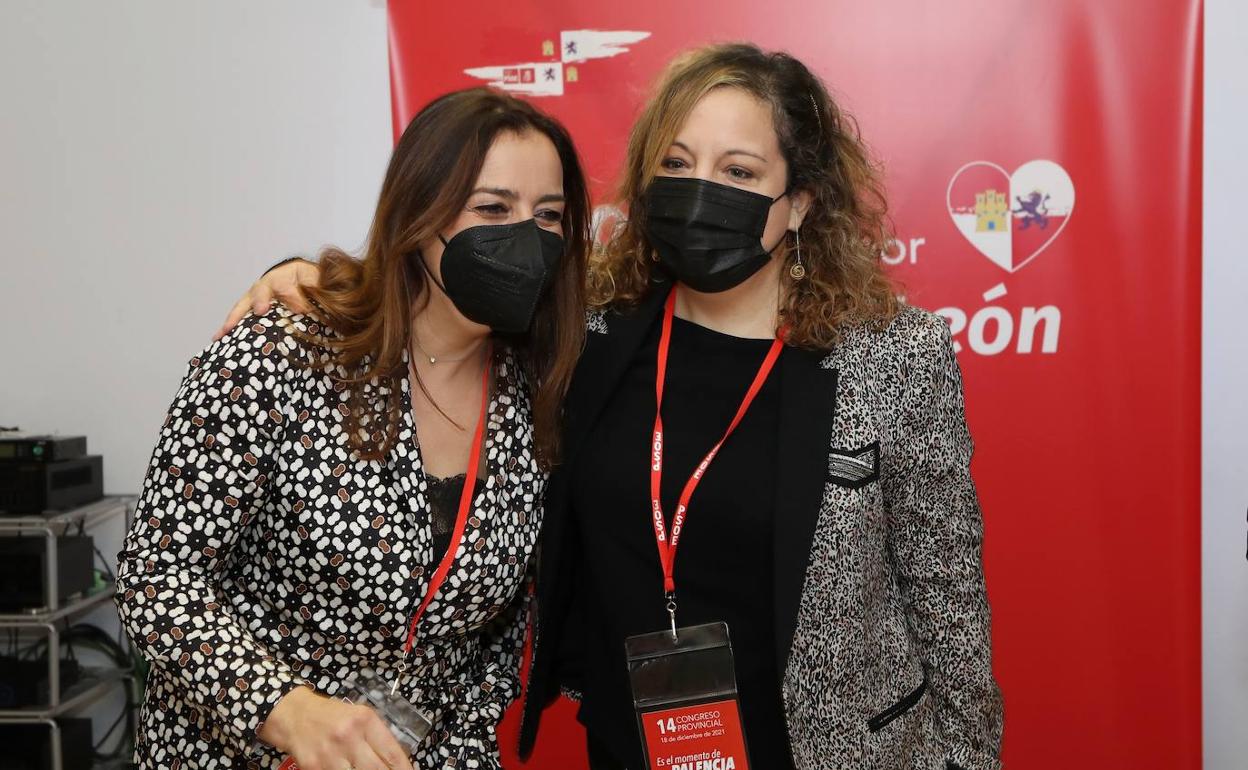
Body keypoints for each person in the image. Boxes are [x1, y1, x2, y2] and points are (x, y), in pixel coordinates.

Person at [224, 43, 1004, 770]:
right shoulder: (583, 330)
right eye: (676, 162)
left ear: (798, 202)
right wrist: (304, 275)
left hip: (835, 748)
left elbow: (948, 602)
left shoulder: (894, 356)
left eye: (737, 172)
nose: (701, 192)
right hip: (633, 745)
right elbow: (434, 283)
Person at [116, 87, 591, 770]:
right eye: (492, 208)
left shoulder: (535, 390)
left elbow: (494, 635)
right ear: (419, 213)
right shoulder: (283, 353)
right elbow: (157, 578)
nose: (526, 237)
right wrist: (282, 709)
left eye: (548, 215)